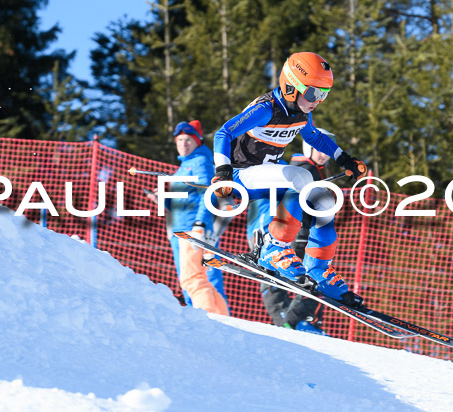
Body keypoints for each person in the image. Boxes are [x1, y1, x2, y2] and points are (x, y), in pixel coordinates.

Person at [212, 52, 367, 307]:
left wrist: (345, 159)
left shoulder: (301, 112)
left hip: (267, 175)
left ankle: (318, 267)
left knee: (324, 198)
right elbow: (224, 132)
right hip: (240, 175)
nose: (318, 101)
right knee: (301, 176)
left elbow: (315, 137)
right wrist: (222, 172)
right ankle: (273, 247)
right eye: (314, 94)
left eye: (324, 94)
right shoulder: (266, 109)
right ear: (291, 86)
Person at [251, 131, 337, 335]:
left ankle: (290, 320)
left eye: (327, 150)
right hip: (300, 234)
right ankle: (297, 320)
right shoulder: (306, 169)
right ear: (309, 148)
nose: (324, 154)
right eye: (319, 149)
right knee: (311, 276)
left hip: (295, 233)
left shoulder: (308, 169)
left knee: (288, 277)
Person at [147, 120, 229, 316]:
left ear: (197, 142)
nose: (183, 144)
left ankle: (209, 319)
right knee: (193, 279)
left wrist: (199, 225)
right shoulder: (184, 166)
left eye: (188, 140)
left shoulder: (200, 162)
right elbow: (185, 200)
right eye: (180, 140)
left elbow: (208, 193)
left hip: (193, 229)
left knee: (194, 279)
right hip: (181, 230)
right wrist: (163, 200)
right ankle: (222, 319)